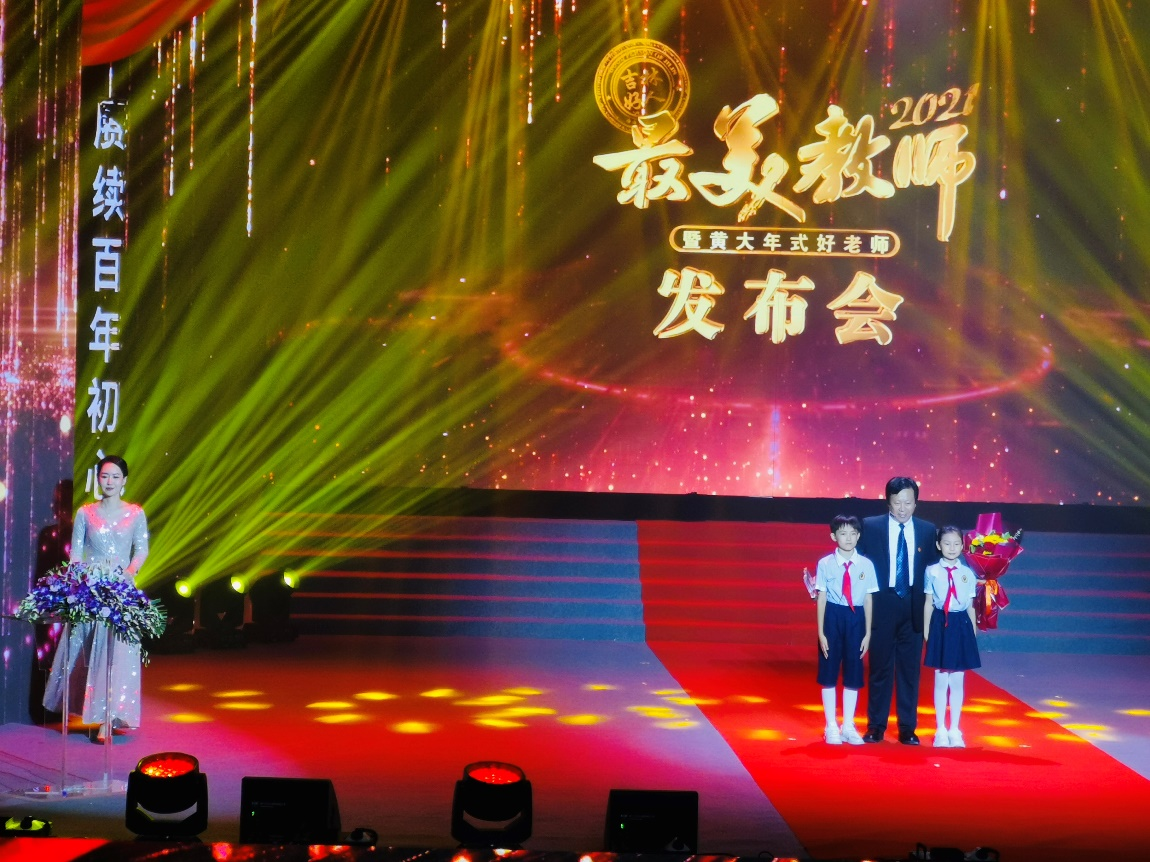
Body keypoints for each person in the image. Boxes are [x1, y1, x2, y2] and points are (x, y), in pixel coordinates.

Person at [42, 455, 150, 739]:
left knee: (117, 654)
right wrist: (80, 580)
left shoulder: (135, 513)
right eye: (105, 476)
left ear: (124, 481)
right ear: (98, 479)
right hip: (90, 588)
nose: (110, 481)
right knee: (86, 649)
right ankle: (84, 708)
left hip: (120, 589)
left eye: (115, 476)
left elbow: (141, 549)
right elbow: (76, 551)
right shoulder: (85, 512)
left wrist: (130, 572)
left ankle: (109, 717)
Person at [858, 476, 937, 744]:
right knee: (880, 668)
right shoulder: (871, 526)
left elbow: (936, 568)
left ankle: (907, 728)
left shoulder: (927, 530)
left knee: (909, 670)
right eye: (897, 502)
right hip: (883, 602)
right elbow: (857, 561)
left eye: (908, 502)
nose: (902, 509)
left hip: (913, 604)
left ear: (916, 503)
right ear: (888, 502)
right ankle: (876, 726)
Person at [815, 515, 878, 745]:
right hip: (833, 615)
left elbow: (869, 598)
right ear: (833, 536)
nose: (848, 538)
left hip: (856, 617)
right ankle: (831, 724)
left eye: (853, 533)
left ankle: (848, 724)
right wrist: (821, 632)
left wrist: (868, 633)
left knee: (854, 671)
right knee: (829, 671)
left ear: (859, 536)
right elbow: (822, 597)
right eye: (843, 533)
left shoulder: (866, 565)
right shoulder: (825, 564)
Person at [924, 525, 981, 748]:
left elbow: (971, 606)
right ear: (939, 545)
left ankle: (955, 729)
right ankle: (940, 729)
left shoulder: (968, 573)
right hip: (940, 623)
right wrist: (927, 631)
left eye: (956, 544)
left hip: (961, 625)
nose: (952, 548)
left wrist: (972, 634)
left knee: (957, 680)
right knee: (941, 679)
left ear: (962, 546)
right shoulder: (932, 571)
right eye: (947, 543)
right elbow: (928, 603)